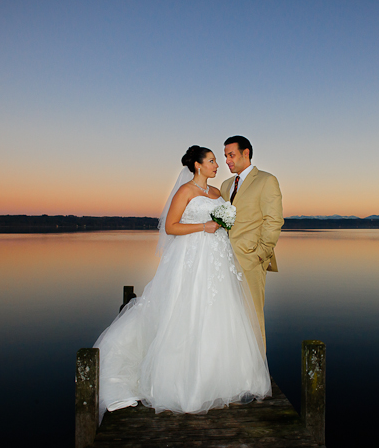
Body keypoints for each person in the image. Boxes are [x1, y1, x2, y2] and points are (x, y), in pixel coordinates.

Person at [92, 145, 271, 422]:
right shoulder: (185, 191)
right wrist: (204, 227)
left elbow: (225, 221)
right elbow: (171, 227)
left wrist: (223, 225)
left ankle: (225, 378)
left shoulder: (217, 193)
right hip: (192, 259)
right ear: (198, 165)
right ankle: (186, 383)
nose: (217, 165)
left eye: (217, 160)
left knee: (222, 313)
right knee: (189, 311)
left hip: (218, 261)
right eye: (212, 161)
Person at [221, 136, 283, 345]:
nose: (227, 161)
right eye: (225, 156)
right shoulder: (226, 184)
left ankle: (257, 375)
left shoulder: (266, 180)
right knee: (227, 316)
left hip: (250, 260)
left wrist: (260, 254)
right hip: (222, 260)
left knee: (252, 318)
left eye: (231, 155)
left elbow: (273, 220)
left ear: (246, 153)